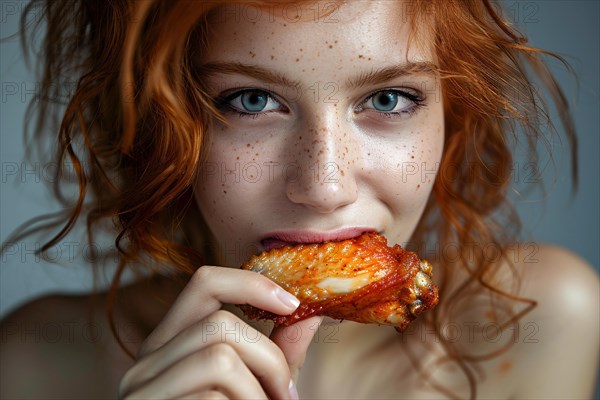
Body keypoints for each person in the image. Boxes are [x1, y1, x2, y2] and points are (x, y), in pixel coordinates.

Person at [1, 0, 598, 399]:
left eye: (388, 100)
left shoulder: (537, 318)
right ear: (160, 123)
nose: (324, 187)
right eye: (251, 101)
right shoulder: (38, 364)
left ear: (454, 115)